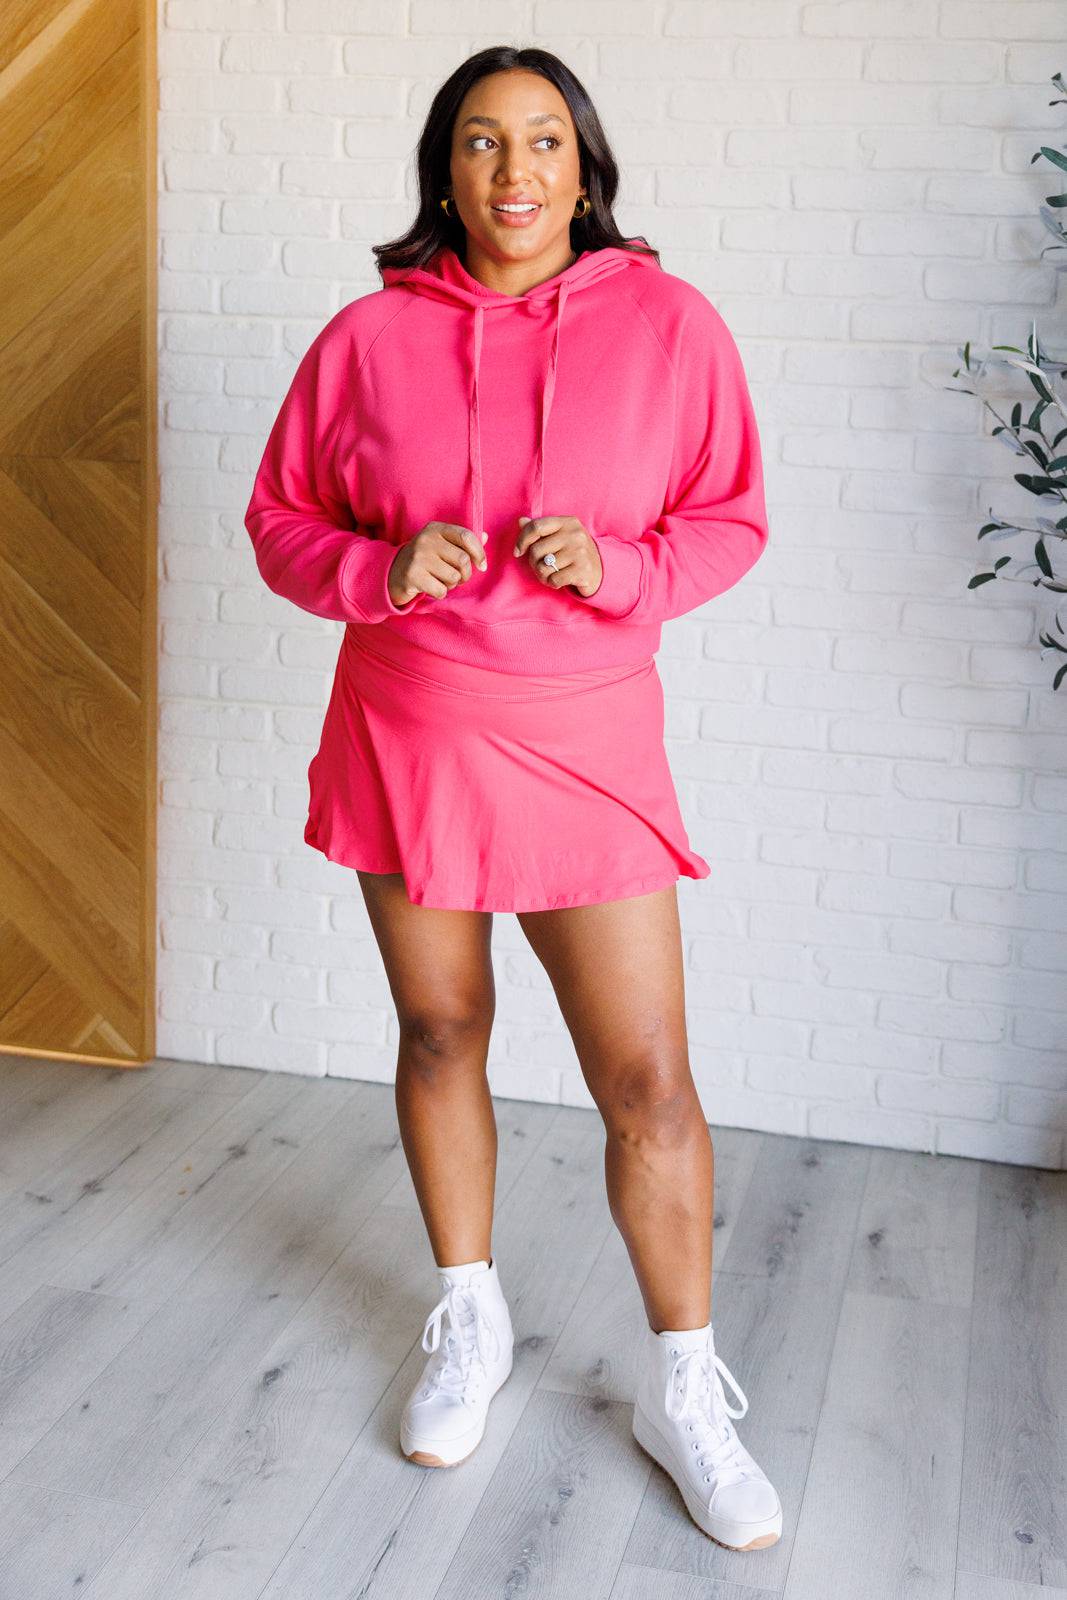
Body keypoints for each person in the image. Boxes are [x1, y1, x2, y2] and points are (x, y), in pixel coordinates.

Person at [244, 44, 781, 1554]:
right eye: (482, 141)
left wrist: (625, 566)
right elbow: (279, 520)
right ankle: (468, 1316)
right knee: (439, 1029)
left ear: (585, 167)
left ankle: (684, 1387)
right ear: (446, 170)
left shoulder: (671, 327)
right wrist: (375, 565)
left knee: (648, 1079)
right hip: (410, 727)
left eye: (545, 140)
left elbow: (732, 516)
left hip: (585, 738)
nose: (515, 170)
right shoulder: (367, 339)